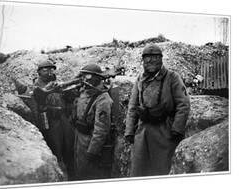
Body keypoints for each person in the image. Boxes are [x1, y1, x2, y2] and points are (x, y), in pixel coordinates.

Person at [124, 44, 190, 177]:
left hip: (164, 131)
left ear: (161, 59)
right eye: (147, 58)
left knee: (161, 170)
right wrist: (130, 131)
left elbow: (183, 104)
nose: (151, 61)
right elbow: (133, 106)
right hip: (143, 132)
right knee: (139, 171)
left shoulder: (172, 77)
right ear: (143, 61)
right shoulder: (140, 79)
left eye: (155, 57)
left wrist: (177, 129)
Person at [18, 59, 75, 180]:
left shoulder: (56, 83)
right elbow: (35, 106)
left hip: (63, 118)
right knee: (56, 146)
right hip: (51, 120)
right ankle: (61, 173)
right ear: (39, 72)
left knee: (69, 144)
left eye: (51, 69)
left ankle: (72, 171)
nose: (49, 71)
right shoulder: (36, 87)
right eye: (46, 69)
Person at [73, 64, 114, 180]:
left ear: (98, 78)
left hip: (90, 142)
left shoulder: (103, 99)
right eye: (83, 76)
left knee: (91, 175)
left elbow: (101, 130)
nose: (85, 79)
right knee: (80, 171)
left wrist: (92, 151)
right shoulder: (85, 92)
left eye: (88, 76)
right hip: (80, 140)